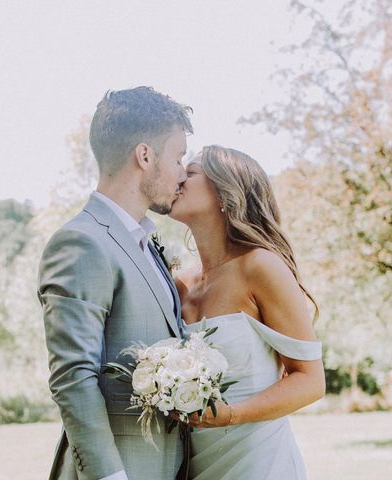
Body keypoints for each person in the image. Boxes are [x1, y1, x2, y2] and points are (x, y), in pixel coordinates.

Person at [38, 86, 193, 480]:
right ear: (144, 156)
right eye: (177, 158)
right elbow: (73, 376)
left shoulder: (146, 242)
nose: (182, 174)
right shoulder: (83, 242)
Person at [169, 145, 326, 479]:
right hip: (194, 462)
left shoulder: (261, 266)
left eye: (192, 172)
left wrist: (231, 414)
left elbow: (311, 380)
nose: (179, 176)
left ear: (226, 193)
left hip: (259, 460)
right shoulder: (179, 282)